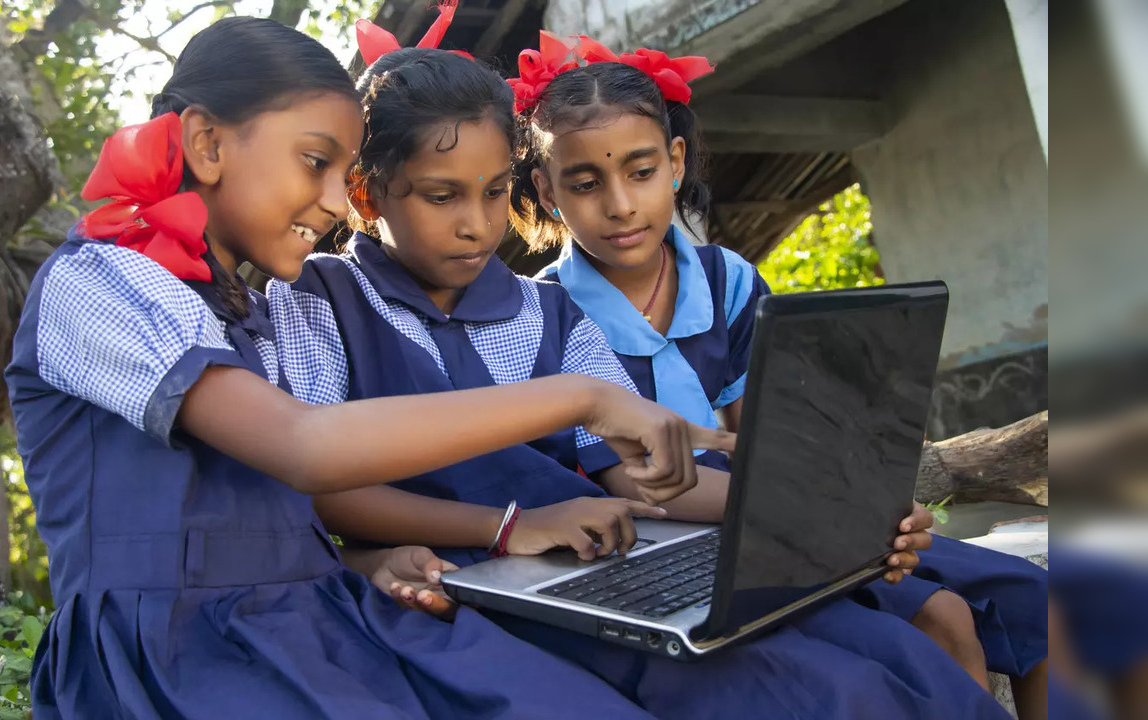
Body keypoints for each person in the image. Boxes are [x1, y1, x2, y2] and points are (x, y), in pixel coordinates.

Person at [3, 16, 732, 719]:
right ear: (206, 143)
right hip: (174, 654)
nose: (331, 203)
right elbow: (305, 448)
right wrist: (580, 399)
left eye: (340, 172)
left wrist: (369, 563)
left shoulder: (255, 311)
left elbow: (277, 522)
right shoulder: (98, 282)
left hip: (318, 613)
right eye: (316, 162)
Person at [268, 33, 1010, 719]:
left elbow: (644, 473)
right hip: (460, 584)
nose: (477, 223)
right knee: (820, 692)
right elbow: (326, 487)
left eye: (494, 192)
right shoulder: (317, 301)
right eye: (442, 196)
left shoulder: (549, 313)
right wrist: (507, 527)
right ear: (367, 196)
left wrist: (837, 516)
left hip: (599, 569)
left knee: (903, 662)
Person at [517, 33, 1049, 718]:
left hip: (783, 517)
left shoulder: (726, 280)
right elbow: (637, 484)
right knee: (942, 621)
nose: (619, 204)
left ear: (675, 163)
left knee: (1040, 599)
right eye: (585, 184)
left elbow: (769, 433)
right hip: (676, 543)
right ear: (545, 189)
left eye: (641, 172)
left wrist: (870, 512)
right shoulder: (549, 315)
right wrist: (839, 518)